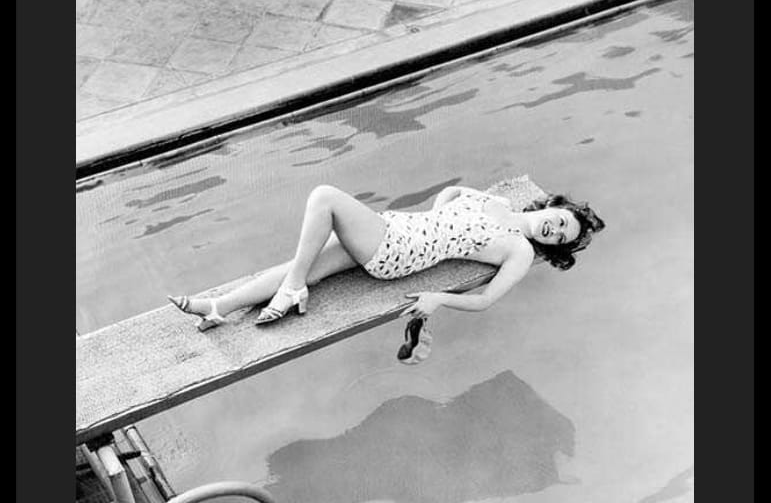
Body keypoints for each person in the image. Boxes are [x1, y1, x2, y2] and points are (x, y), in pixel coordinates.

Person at [168, 183, 605, 337]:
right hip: (400, 229)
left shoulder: (521, 250)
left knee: (324, 198)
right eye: (560, 219)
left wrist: (438, 298)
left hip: (399, 251)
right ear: (550, 206)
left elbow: (487, 299)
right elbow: (453, 193)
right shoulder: (497, 202)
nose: (556, 228)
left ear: (557, 246)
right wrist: (438, 218)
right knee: (303, 262)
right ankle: (219, 308)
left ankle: (293, 288)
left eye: (563, 234)